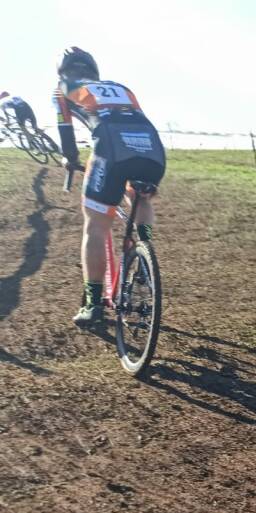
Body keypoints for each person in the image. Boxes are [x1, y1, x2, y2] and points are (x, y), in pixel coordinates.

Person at [54, 46, 166, 326]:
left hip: (110, 149)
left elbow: (66, 136)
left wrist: (70, 160)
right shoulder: (121, 88)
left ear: (64, 71)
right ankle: (145, 248)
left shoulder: (63, 88)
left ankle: (93, 304)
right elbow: (136, 120)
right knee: (139, 196)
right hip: (152, 150)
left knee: (95, 224)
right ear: (94, 70)